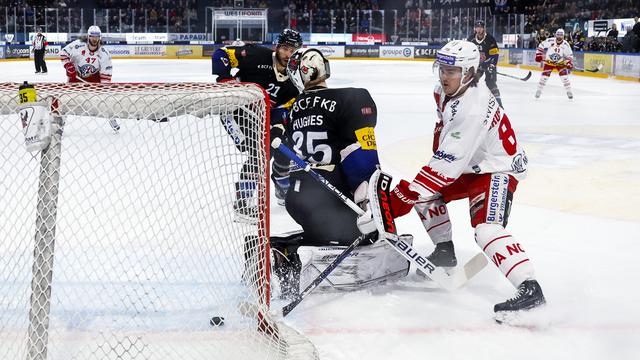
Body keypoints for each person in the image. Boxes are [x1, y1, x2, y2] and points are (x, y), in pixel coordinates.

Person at [359, 40, 546, 317]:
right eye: (442, 69)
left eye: (452, 71)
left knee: (486, 230)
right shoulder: (443, 91)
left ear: (469, 72)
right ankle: (445, 252)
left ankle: (531, 290)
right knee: (425, 193)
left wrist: (395, 204)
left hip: (498, 167)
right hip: (471, 164)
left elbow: (446, 166)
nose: (444, 76)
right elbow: (445, 138)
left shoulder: (474, 106)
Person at [269, 48, 409, 298]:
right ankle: (301, 257)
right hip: (332, 199)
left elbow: (279, 163)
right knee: (363, 235)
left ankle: (287, 250)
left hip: (298, 199)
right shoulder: (351, 99)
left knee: (323, 232)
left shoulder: (295, 108)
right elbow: (360, 160)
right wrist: (369, 206)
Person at [212, 29, 302, 219]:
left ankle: (281, 187)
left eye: (293, 50)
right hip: (234, 110)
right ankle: (242, 203)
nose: (288, 54)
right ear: (277, 47)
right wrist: (225, 78)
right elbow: (221, 54)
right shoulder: (256, 55)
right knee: (259, 151)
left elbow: (282, 109)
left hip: (260, 115)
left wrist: (278, 128)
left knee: (284, 145)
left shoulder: (294, 79)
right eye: (285, 48)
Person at [468, 20, 502, 107]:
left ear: (484, 28)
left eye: (480, 27)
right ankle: (470, 105)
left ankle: (499, 105)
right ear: (475, 29)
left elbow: (495, 55)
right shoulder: (471, 39)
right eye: (477, 27)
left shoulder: (490, 39)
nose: (478, 29)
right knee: (471, 81)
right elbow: (466, 52)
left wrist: (492, 65)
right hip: (477, 65)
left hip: (488, 63)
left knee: (490, 83)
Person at [535, 28, 574, 99]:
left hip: (560, 63)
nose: (559, 37)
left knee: (565, 78)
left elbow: (570, 55)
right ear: (556, 35)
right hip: (549, 62)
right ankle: (539, 90)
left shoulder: (566, 44)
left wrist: (569, 62)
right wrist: (538, 55)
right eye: (558, 35)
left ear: (563, 36)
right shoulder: (550, 40)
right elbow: (541, 45)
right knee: (544, 78)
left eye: (561, 35)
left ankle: (569, 91)